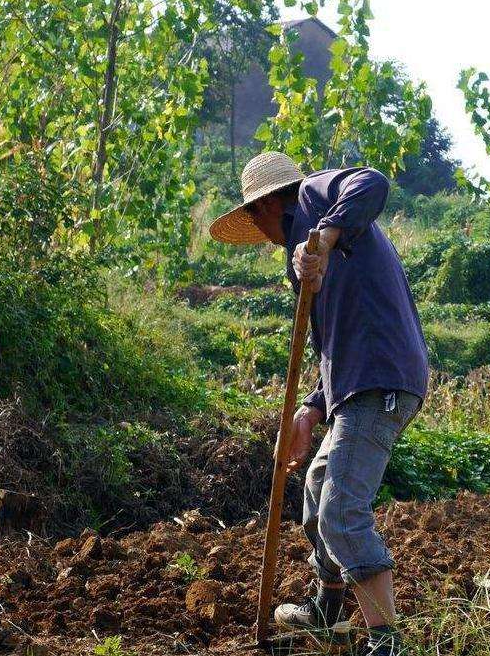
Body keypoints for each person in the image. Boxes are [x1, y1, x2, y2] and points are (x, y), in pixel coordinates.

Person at [209, 152, 428, 656]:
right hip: (353, 384)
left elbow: (372, 182)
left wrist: (326, 237)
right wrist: (310, 410)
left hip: (381, 380)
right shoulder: (301, 260)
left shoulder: (314, 199)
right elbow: (329, 342)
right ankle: (326, 608)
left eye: (253, 217)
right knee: (316, 485)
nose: (257, 229)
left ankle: (386, 641)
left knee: (342, 511)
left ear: (265, 206)